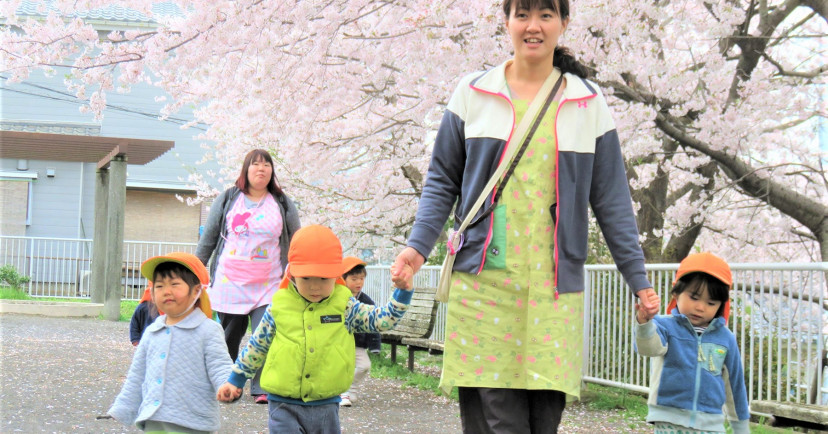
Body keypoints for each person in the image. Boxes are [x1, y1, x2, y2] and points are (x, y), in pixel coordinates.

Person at [391, 0, 660, 431]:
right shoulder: (473, 93)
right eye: (522, 15)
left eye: (546, 15)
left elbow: (612, 200)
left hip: (555, 289)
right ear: (507, 22)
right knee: (497, 419)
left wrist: (637, 279)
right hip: (485, 283)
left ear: (564, 24)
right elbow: (443, 178)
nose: (533, 26)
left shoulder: (587, 103)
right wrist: (418, 246)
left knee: (543, 420)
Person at [216, 225, 414, 433]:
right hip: (283, 403)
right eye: (306, 278)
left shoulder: (345, 305)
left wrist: (402, 292)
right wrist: (236, 379)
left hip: (326, 404)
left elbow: (382, 320)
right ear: (292, 274)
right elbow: (257, 345)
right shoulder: (279, 306)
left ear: (336, 275)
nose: (315, 286)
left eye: (323, 278)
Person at [195, 148, 301, 403]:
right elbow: (209, 236)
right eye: (255, 164)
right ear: (246, 169)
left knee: (265, 331)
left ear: (271, 171)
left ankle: (261, 387)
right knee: (228, 334)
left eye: (266, 164)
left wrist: (298, 272)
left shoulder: (282, 202)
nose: (261, 169)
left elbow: (296, 239)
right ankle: (226, 382)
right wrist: (196, 270)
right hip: (230, 280)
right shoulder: (229, 198)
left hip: (269, 282)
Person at [108, 252, 235, 432]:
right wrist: (123, 408)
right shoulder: (152, 331)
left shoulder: (208, 329)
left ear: (196, 291)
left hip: (192, 422)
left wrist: (227, 385)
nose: (166, 291)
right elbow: (137, 375)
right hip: (153, 419)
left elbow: (220, 365)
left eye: (175, 284)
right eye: (159, 286)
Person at [635, 252, 749, 433]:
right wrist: (645, 324)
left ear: (721, 306)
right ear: (676, 292)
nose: (700, 307)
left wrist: (741, 428)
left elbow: (734, 385)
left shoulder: (725, 338)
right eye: (694, 298)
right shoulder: (665, 327)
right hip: (668, 421)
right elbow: (649, 348)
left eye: (711, 302)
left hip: (710, 425)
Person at [339, 256, 382, 407]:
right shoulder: (335, 297)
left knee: (364, 366)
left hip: (357, 344)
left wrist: (375, 344)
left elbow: (374, 322)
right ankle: (343, 394)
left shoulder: (366, 300)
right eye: (354, 278)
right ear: (343, 279)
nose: (359, 282)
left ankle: (352, 389)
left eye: (362, 278)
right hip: (339, 343)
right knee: (341, 368)